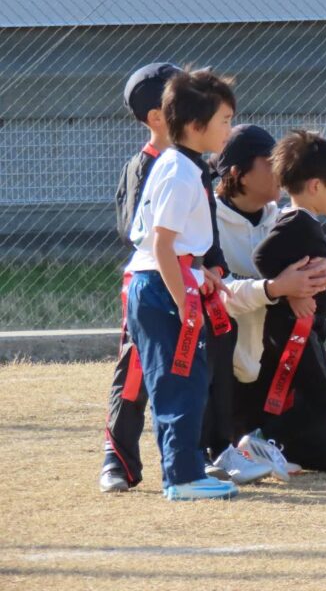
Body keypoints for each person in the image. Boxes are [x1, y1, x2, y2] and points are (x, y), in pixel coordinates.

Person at [208, 124, 326, 480]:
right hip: (232, 370)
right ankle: (234, 443)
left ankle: (264, 444)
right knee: (325, 398)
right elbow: (216, 295)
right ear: (239, 173)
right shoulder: (205, 219)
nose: (280, 167)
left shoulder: (286, 215)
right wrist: (275, 288)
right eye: (267, 159)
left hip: (276, 367)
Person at [124, 68, 238, 500]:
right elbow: (162, 244)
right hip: (161, 288)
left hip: (166, 281)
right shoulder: (179, 172)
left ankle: (185, 471)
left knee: (186, 381)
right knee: (179, 383)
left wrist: (200, 274)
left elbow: (176, 246)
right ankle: (183, 477)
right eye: (224, 120)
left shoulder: (182, 165)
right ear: (194, 125)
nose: (229, 129)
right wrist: (185, 299)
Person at [246, 130, 326, 474]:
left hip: (305, 330)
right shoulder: (297, 222)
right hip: (293, 332)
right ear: (315, 186)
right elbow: (262, 257)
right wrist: (291, 291)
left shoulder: (302, 222)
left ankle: (276, 446)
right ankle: (262, 441)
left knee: (313, 397)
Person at [100, 62, 178, 493]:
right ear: (157, 117)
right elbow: (135, 229)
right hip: (150, 281)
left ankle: (206, 451)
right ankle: (117, 457)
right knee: (136, 369)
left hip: (194, 280)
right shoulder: (143, 165)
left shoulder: (197, 162)